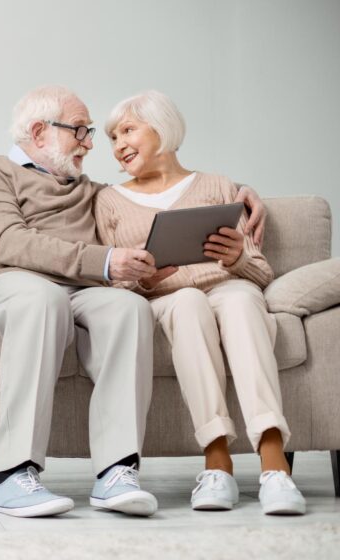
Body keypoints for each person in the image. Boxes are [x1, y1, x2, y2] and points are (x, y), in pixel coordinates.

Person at [0, 85, 266, 518]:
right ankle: (11, 475)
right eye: (81, 131)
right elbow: (7, 242)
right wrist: (105, 261)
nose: (89, 144)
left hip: (79, 291)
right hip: (10, 285)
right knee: (43, 299)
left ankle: (116, 472)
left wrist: (242, 191)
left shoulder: (88, 190)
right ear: (39, 131)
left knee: (129, 308)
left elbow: (150, 190)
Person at [94, 89, 304, 515]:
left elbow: (261, 274)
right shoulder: (109, 201)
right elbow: (109, 284)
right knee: (189, 302)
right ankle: (217, 463)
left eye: (128, 130)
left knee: (243, 303)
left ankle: (274, 462)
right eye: (112, 137)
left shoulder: (219, 186)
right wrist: (142, 279)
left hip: (229, 287)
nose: (118, 145)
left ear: (163, 129)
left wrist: (238, 257)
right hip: (166, 298)